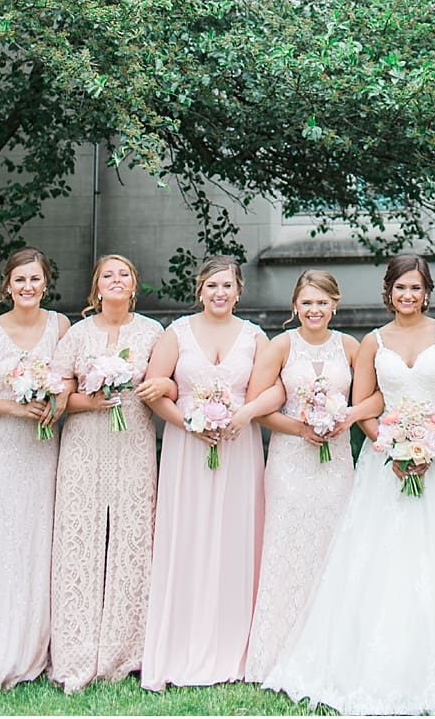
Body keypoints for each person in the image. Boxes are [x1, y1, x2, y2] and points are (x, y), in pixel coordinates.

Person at [263, 254, 435, 713]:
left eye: (415, 288)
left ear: (426, 292)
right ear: (388, 292)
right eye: (400, 288)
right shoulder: (372, 342)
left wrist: (432, 442)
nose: (407, 296)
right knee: (381, 560)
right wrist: (391, 446)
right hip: (385, 463)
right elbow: (366, 403)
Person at [140, 256, 268, 690]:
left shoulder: (255, 337)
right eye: (212, 285)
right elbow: (153, 390)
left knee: (235, 537)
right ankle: (182, 644)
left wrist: (243, 415)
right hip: (186, 448)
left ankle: (235, 644)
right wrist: (188, 424)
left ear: (238, 291)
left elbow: (270, 390)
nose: (219, 292)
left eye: (227, 286)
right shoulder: (176, 333)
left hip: (238, 447)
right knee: (190, 535)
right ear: (200, 289)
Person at [47, 254, 170, 690]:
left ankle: (126, 649)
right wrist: (89, 400)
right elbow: (58, 392)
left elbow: (166, 382)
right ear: (96, 287)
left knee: (131, 538)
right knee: (79, 538)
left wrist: (163, 387)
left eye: (124, 275)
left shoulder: (153, 332)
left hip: (133, 442)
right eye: (107, 276)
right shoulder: (78, 334)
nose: (116, 281)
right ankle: (76, 650)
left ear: (134, 285)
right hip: (83, 443)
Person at [242, 270, 359, 683]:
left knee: (334, 546)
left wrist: (344, 418)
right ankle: (279, 647)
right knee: (287, 547)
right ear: (296, 306)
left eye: (322, 302)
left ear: (335, 304)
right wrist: (301, 428)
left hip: (336, 461)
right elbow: (258, 405)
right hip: (291, 460)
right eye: (307, 302)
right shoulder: (280, 346)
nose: (314, 310)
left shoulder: (349, 346)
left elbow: (371, 397)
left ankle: (334, 647)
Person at [0, 248, 68, 689]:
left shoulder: (60, 327)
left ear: (46, 284)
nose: (28, 287)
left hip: (41, 454)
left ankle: (30, 650)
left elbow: (69, 383)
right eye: (19, 280)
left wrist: (55, 405)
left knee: (34, 545)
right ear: (7, 286)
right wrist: (13, 408)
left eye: (35, 279)